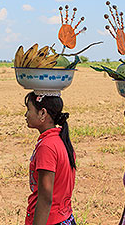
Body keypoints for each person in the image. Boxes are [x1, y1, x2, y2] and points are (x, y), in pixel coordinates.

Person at [24, 92, 76, 225]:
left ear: (42, 113)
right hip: (64, 217)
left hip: (50, 220)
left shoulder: (46, 147)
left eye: (29, 110)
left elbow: (46, 198)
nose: (26, 115)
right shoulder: (60, 139)